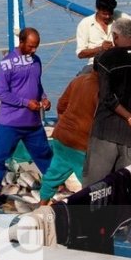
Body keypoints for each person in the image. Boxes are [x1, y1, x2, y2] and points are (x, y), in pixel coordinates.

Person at [0, 27, 53, 207]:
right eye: (30, 46)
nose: (34, 50)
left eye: (36, 46)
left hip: (33, 123)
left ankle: (54, 187)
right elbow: (1, 93)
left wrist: (43, 98)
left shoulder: (36, 61)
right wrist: (25, 103)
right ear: (21, 43)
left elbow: (37, 84)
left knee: (44, 155)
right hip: (10, 122)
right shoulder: (6, 64)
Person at [82, 17, 131, 187]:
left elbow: (108, 98)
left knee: (94, 186)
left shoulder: (106, 58)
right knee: (121, 186)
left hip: (107, 129)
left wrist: (129, 117)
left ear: (115, 37)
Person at [38, 67, 99, 206]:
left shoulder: (76, 81)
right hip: (81, 143)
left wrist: (66, 124)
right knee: (89, 181)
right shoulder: (102, 89)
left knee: (54, 173)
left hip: (62, 136)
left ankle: (42, 205)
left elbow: (61, 106)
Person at [76, 0, 123, 70]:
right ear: (97, 9)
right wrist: (101, 49)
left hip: (118, 63)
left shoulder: (119, 18)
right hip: (94, 64)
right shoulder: (85, 23)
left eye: (110, 14)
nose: (107, 17)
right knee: (81, 80)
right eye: (104, 14)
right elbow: (80, 54)